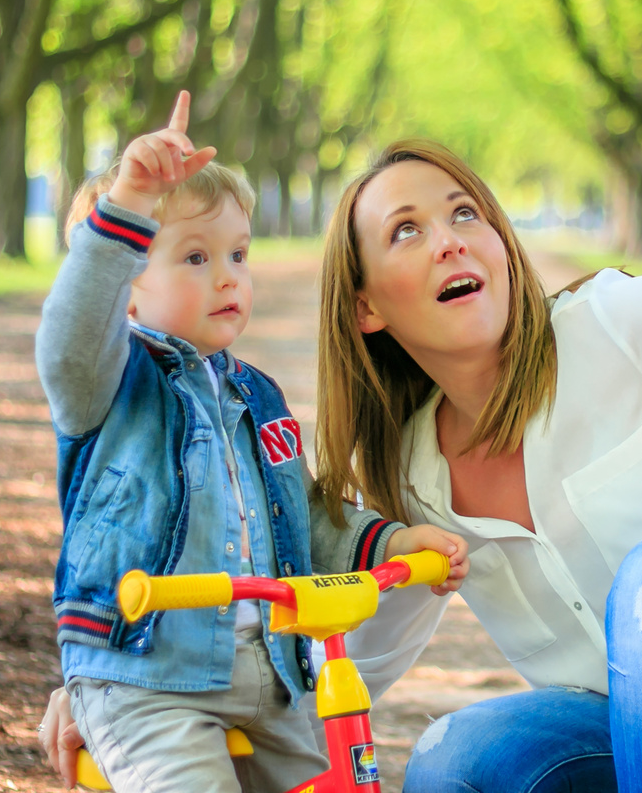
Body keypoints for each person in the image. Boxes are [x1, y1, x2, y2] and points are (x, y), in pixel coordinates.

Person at [46, 126, 642, 792]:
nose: (448, 235)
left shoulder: (614, 325)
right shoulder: (413, 475)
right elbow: (343, 649)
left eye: (462, 213)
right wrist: (123, 682)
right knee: (454, 761)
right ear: (367, 306)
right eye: (405, 231)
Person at [36, 93, 466, 793]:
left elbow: (297, 512)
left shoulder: (256, 395)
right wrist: (131, 202)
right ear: (128, 289)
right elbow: (72, 331)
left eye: (237, 253)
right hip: (151, 677)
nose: (229, 275)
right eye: (197, 257)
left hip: (273, 676)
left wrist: (386, 545)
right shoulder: (111, 384)